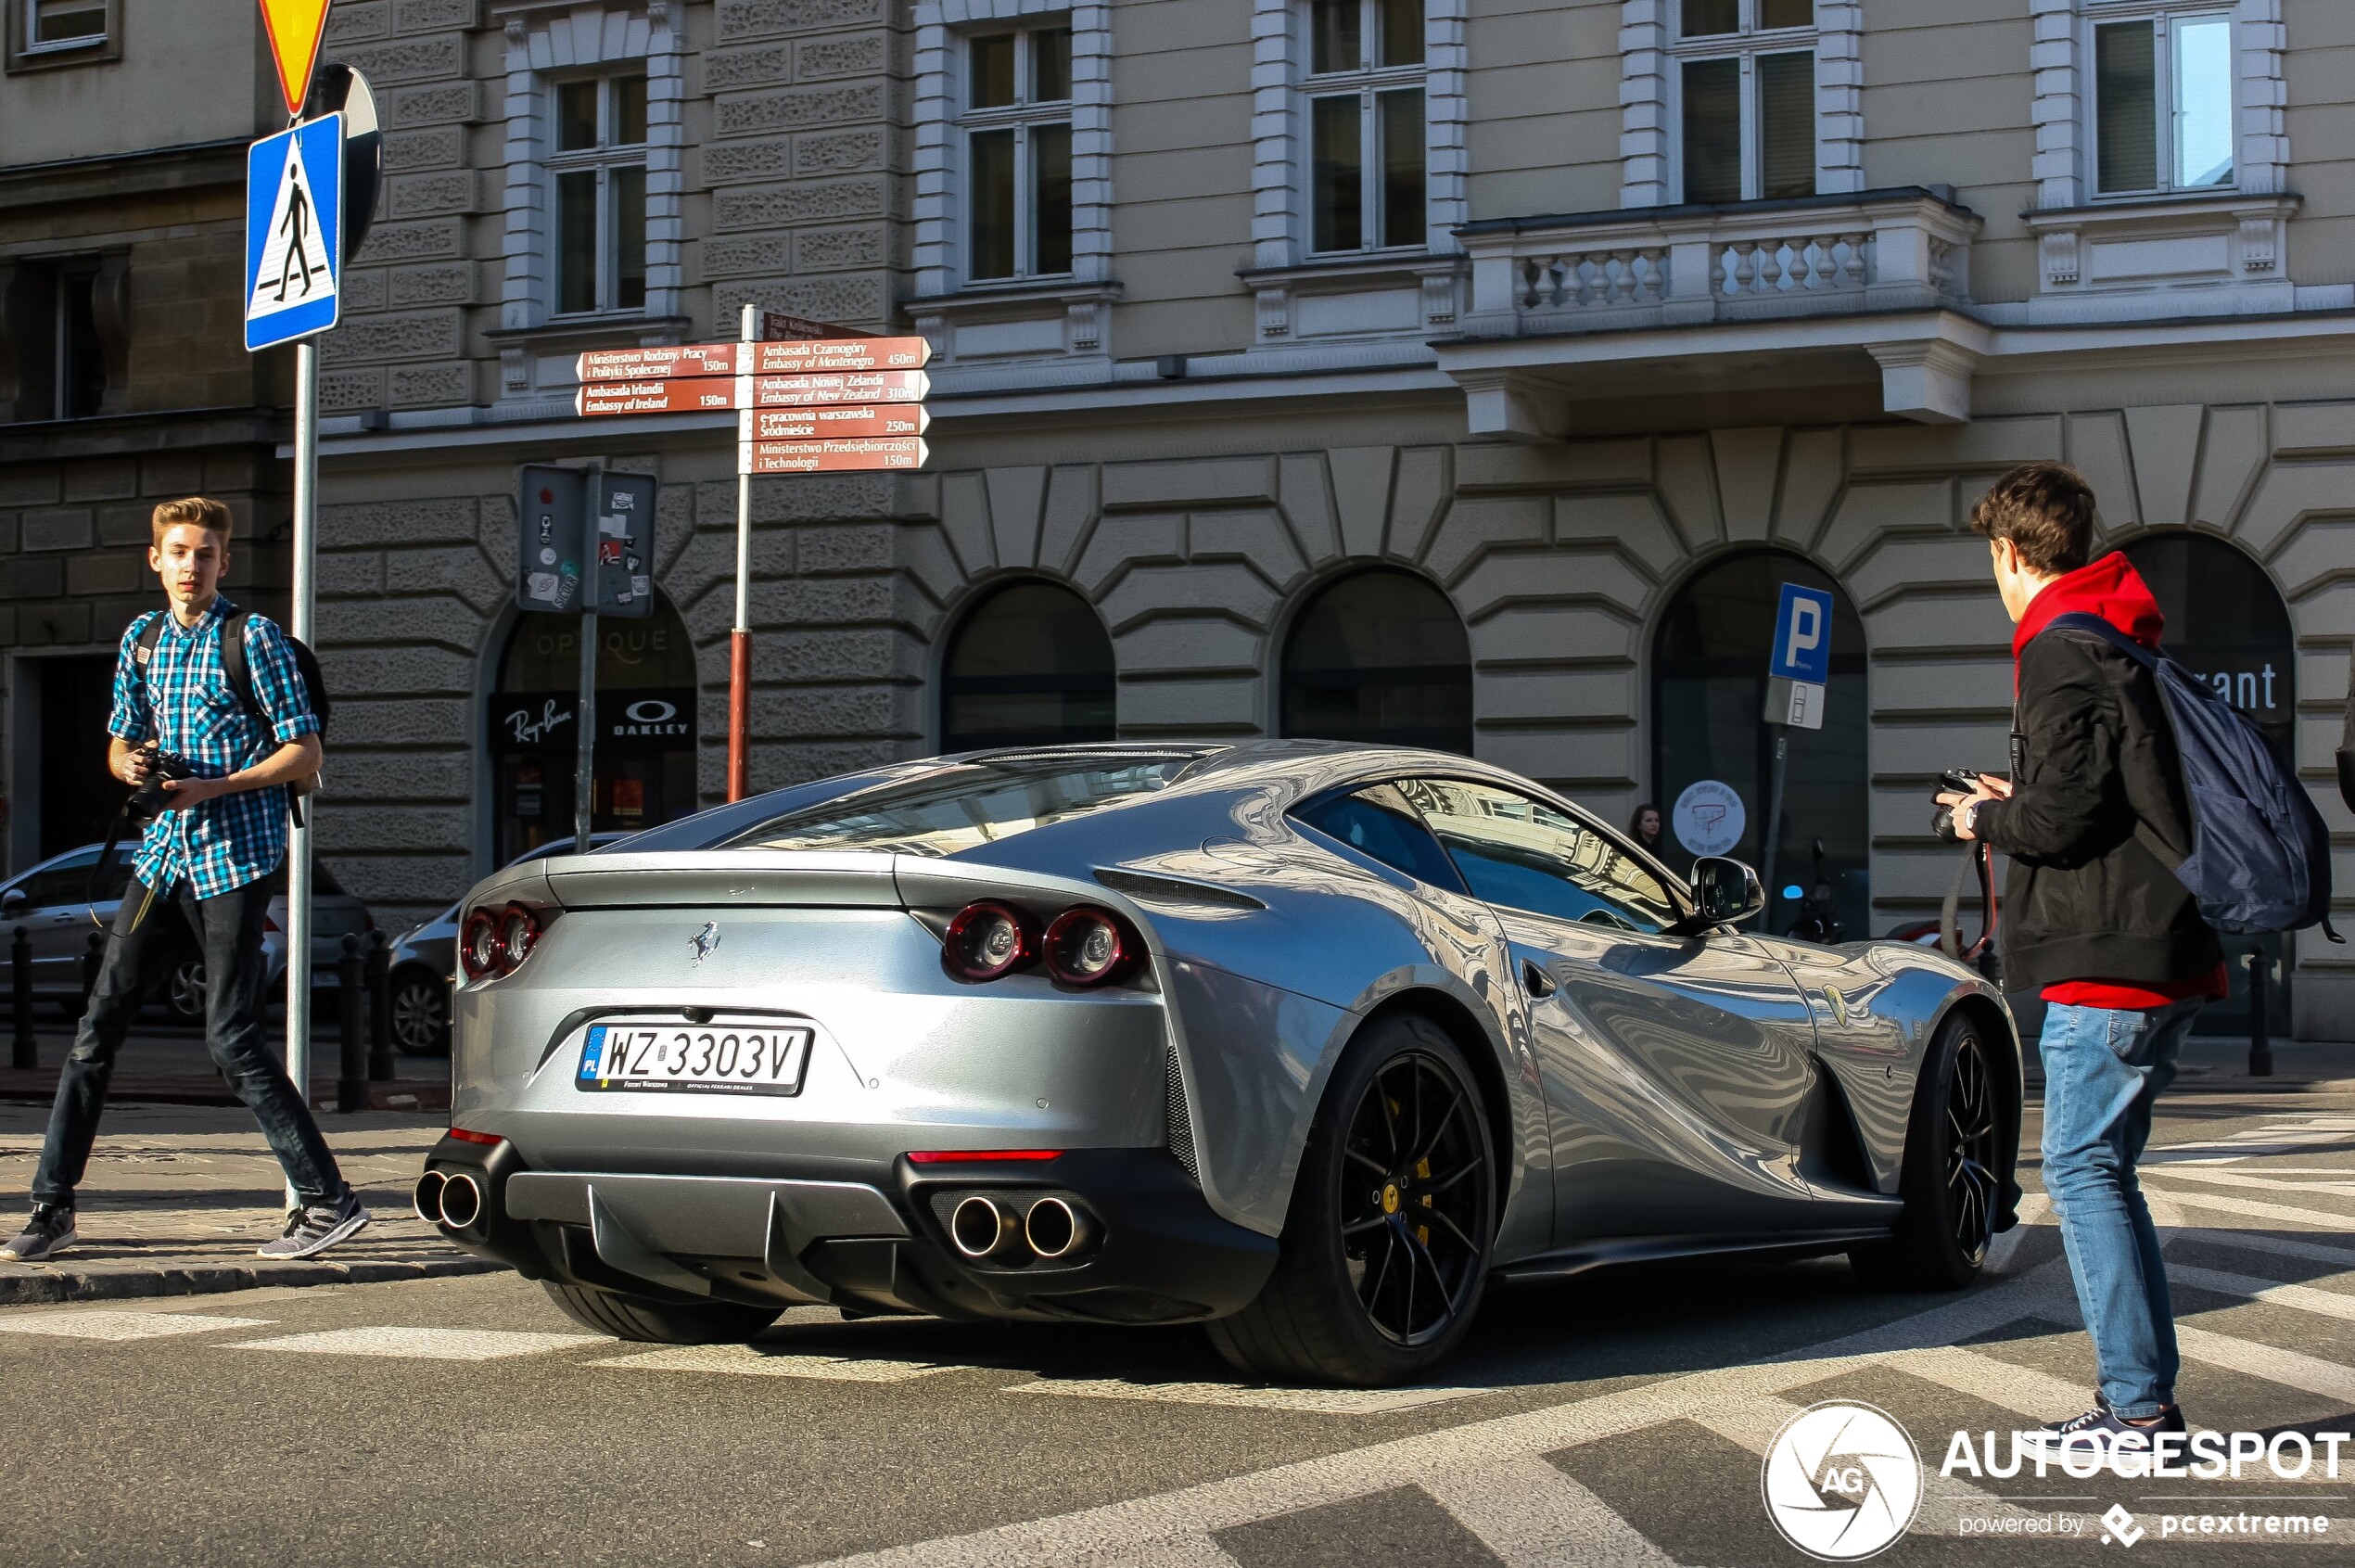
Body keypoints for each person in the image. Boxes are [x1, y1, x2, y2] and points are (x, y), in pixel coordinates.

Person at [1939, 462, 2223, 1459]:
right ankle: (2142, 1399)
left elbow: (2062, 820)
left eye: (1990, 556)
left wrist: (1986, 814)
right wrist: (2019, 794)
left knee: (2079, 1166)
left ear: (2010, 553)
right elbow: (2099, 794)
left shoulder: (2056, 648)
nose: (1993, 573)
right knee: (2106, 1169)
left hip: (2107, 956)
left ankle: (2135, 1410)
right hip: (2158, 941)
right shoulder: (2115, 635)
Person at [1, 498, 369, 1264]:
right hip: (162, 857)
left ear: (223, 563)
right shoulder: (140, 639)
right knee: (96, 1029)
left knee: (231, 1035)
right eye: (179, 551)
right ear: (156, 559)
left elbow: (304, 753)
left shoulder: (254, 638)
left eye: (205, 553)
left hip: (235, 859)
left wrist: (216, 785)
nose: (192, 564)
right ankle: (51, 1205)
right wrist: (131, 763)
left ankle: (329, 1201)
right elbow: (118, 741)